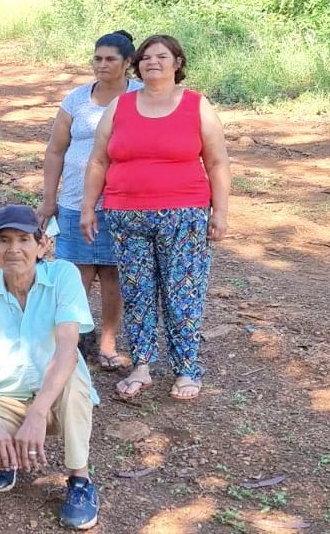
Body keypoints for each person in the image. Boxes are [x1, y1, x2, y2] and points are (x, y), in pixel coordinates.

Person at [82, 35, 231, 402]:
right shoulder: (121, 105)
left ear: (177, 63)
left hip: (184, 215)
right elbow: (99, 160)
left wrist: (221, 212)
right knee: (137, 293)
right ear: (137, 65)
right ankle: (142, 365)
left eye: (162, 57)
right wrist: (88, 206)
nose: (154, 63)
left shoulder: (195, 105)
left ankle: (186, 371)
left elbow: (217, 161)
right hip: (125, 215)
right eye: (146, 57)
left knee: (183, 294)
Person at [0, 205, 100, 530]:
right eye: (4, 240)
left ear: (42, 244)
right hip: (5, 398)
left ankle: (80, 481)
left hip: (55, 397)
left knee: (71, 375)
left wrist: (37, 412)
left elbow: (67, 351)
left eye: (23, 239)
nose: (14, 249)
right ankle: (4, 459)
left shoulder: (64, 276)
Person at [37, 31, 144, 371]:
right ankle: (74, 342)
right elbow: (55, 151)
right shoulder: (76, 100)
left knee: (113, 275)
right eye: (97, 58)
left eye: (111, 59)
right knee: (75, 275)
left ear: (128, 64)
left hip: (122, 203)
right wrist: (49, 199)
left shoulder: (141, 97)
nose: (102, 65)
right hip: (72, 201)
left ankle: (108, 343)